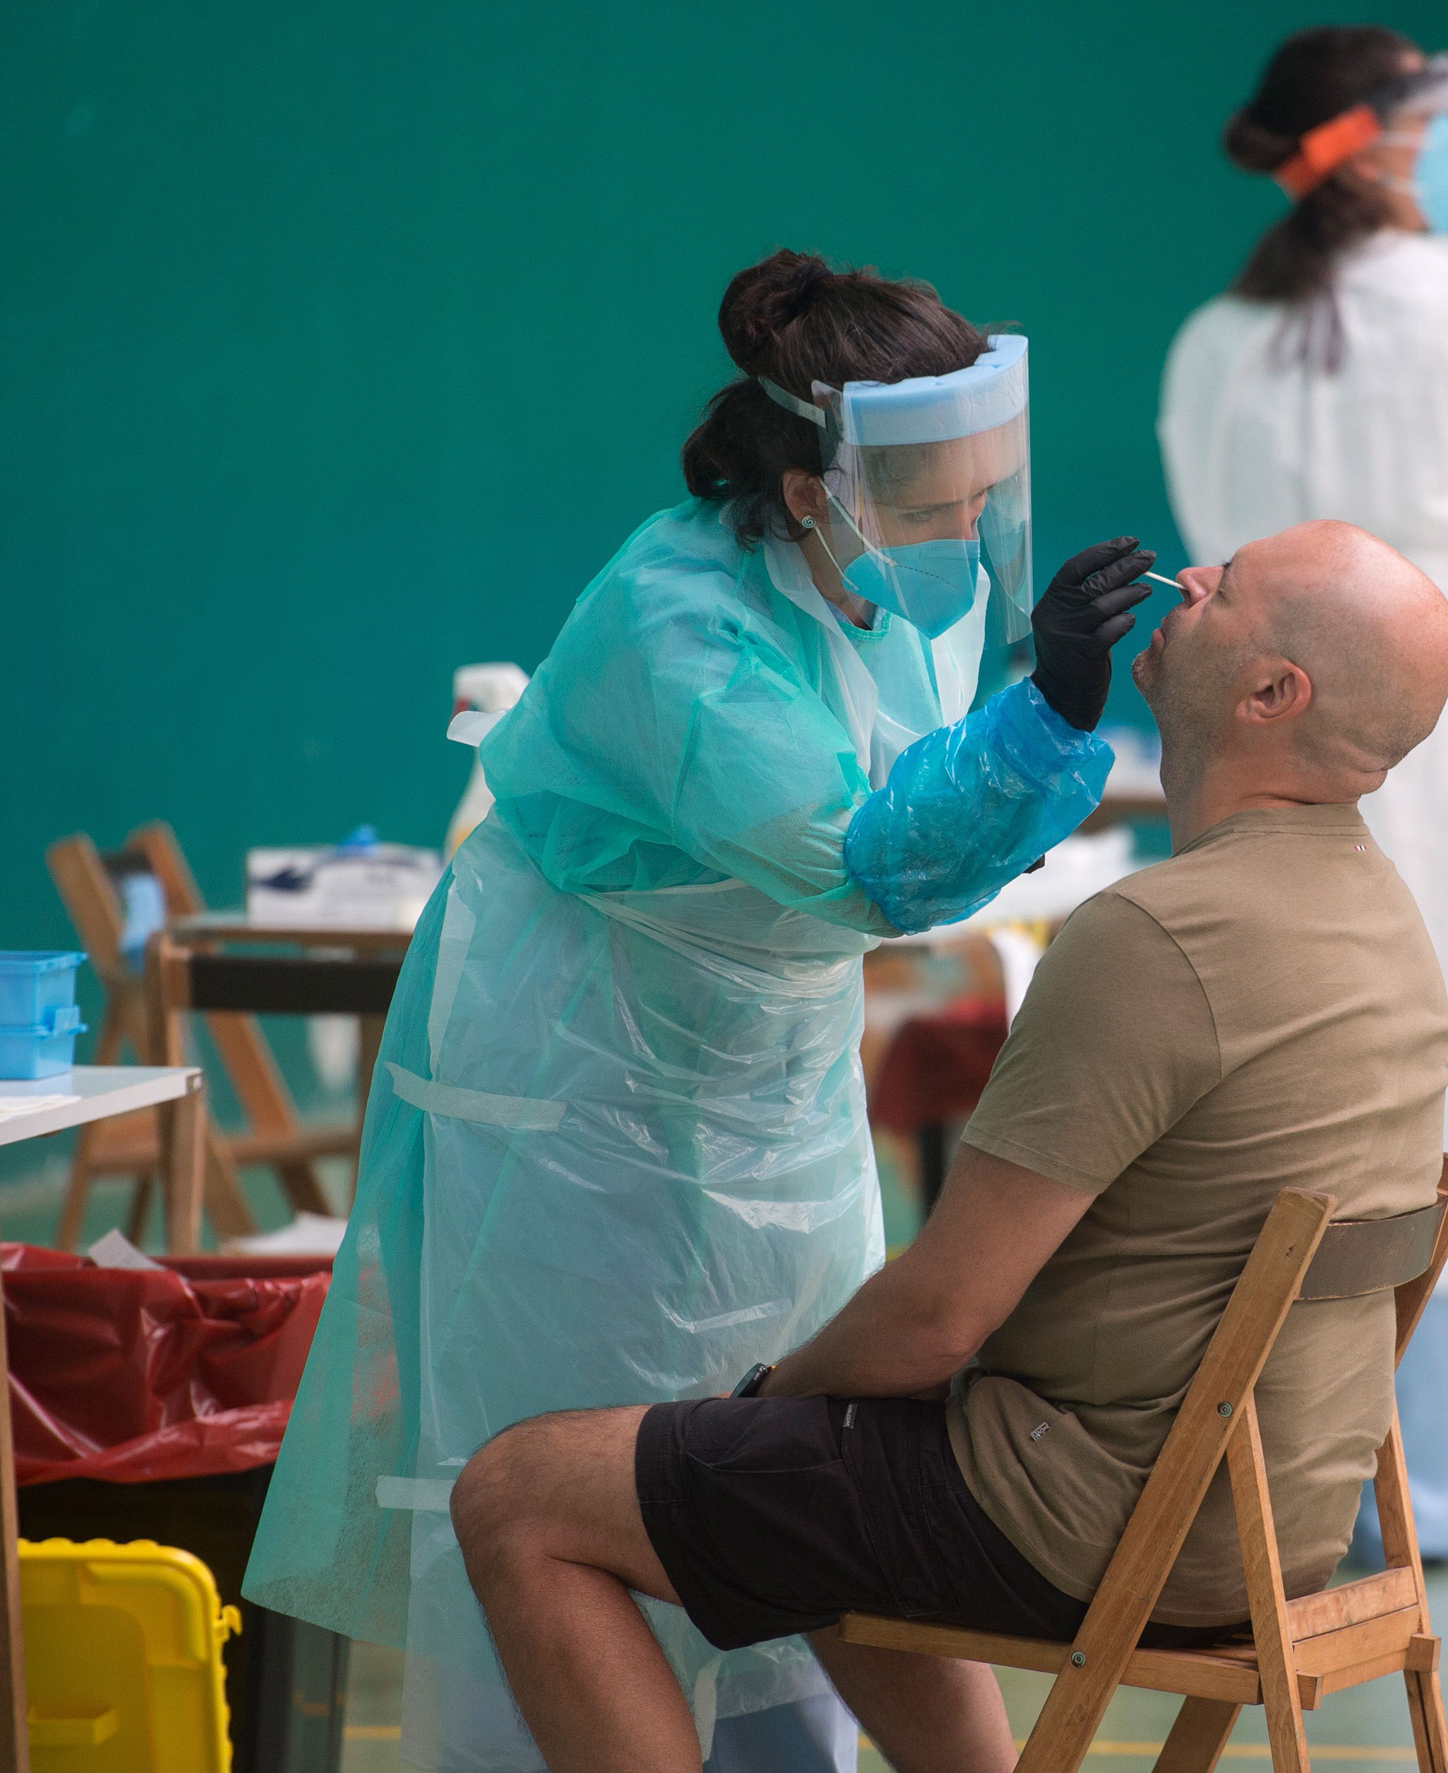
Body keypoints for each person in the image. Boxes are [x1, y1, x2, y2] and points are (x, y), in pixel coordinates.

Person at [242, 250, 1157, 1773]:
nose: (968, 531)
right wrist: (1050, 712)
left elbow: (900, 806)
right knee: (585, 1461)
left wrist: (1027, 707)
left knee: (796, 1455)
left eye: (984, 489)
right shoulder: (678, 628)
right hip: (582, 1082)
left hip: (770, 1062)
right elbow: (864, 862)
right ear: (813, 488)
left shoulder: (884, 581)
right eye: (937, 497)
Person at [443, 520, 1448, 1773]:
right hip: (1273, 1520)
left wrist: (765, 1401)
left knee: (519, 1494)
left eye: (1225, 588)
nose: (1186, 582)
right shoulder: (1382, 915)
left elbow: (940, 1318)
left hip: (1085, 1520)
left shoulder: (1157, 937)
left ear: (1268, 694)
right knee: (810, 1477)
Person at [1159, 23, 1448, 1563]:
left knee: (1290, 1051)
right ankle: (1412, 1454)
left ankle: (1311, 1454)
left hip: (1261, 728)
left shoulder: (1214, 339)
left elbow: (1213, 543)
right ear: (1387, 146)